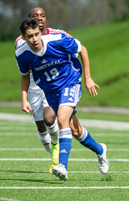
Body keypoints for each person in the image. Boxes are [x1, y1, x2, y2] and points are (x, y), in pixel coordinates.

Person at [15, 17, 109, 181]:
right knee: (75, 131)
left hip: (70, 82)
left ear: (41, 32)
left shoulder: (57, 40)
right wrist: (24, 99)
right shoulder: (22, 54)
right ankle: (100, 150)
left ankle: (62, 166)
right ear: (23, 37)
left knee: (62, 118)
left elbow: (83, 50)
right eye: (30, 36)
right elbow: (24, 76)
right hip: (50, 91)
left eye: (37, 34)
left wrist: (87, 78)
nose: (34, 39)